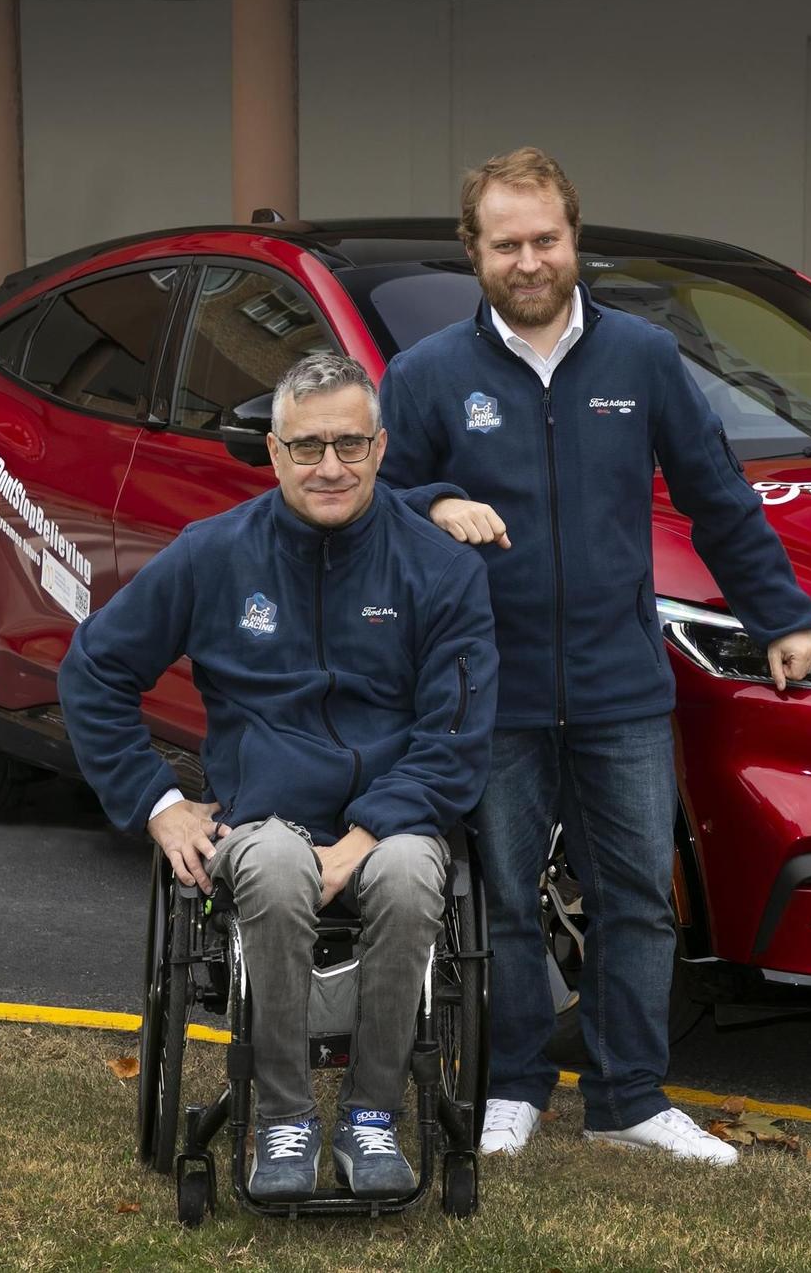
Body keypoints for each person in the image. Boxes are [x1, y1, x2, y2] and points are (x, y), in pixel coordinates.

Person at [378, 147, 811, 1166]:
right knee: (500, 899)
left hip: (622, 685)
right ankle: (513, 1085)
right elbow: (367, 505)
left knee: (633, 896)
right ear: (472, 253)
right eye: (506, 244)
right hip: (488, 690)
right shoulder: (427, 376)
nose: (528, 260)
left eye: (545, 239)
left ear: (575, 240)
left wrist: (781, 615)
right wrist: (431, 501)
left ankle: (630, 1097)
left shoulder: (643, 359)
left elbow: (717, 496)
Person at [59, 354, 497, 1200]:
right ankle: (285, 1117)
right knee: (273, 863)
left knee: (411, 876)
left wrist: (366, 836)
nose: (328, 465)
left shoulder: (442, 570)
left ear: (379, 447)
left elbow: (456, 732)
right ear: (273, 450)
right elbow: (93, 670)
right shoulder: (214, 552)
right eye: (306, 447)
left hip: (397, 818)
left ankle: (372, 1114)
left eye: (347, 444)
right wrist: (159, 804)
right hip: (262, 817)